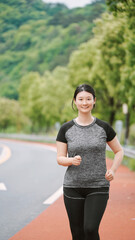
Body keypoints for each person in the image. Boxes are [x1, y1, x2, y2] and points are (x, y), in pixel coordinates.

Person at [56, 84, 124, 240]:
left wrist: (113, 170)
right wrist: (71, 160)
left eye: (88, 99)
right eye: (80, 99)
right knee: (77, 233)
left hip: (98, 186)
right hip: (73, 186)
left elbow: (119, 151)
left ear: (94, 101)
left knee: (90, 229)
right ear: (75, 101)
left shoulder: (103, 127)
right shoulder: (66, 129)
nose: (84, 103)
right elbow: (60, 158)